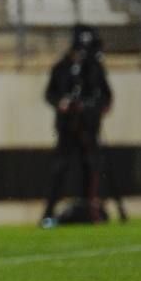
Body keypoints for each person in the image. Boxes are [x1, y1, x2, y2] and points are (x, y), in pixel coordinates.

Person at [41, 24, 113, 228]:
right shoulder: (61, 67)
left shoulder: (94, 68)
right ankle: (48, 213)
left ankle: (91, 210)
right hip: (66, 128)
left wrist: (91, 109)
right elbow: (49, 94)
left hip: (89, 129)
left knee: (90, 168)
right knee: (59, 169)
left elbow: (105, 97)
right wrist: (62, 104)